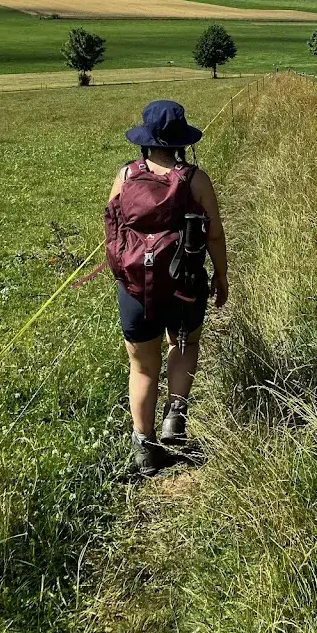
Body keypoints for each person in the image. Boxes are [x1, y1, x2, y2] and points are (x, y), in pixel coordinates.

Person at [106, 100, 229, 477]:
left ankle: (144, 449)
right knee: (185, 343)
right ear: (181, 141)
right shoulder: (195, 179)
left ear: (145, 141)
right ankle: (175, 414)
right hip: (185, 284)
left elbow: (112, 228)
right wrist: (220, 275)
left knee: (142, 367)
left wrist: (123, 272)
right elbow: (215, 234)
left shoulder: (125, 176)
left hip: (134, 288)